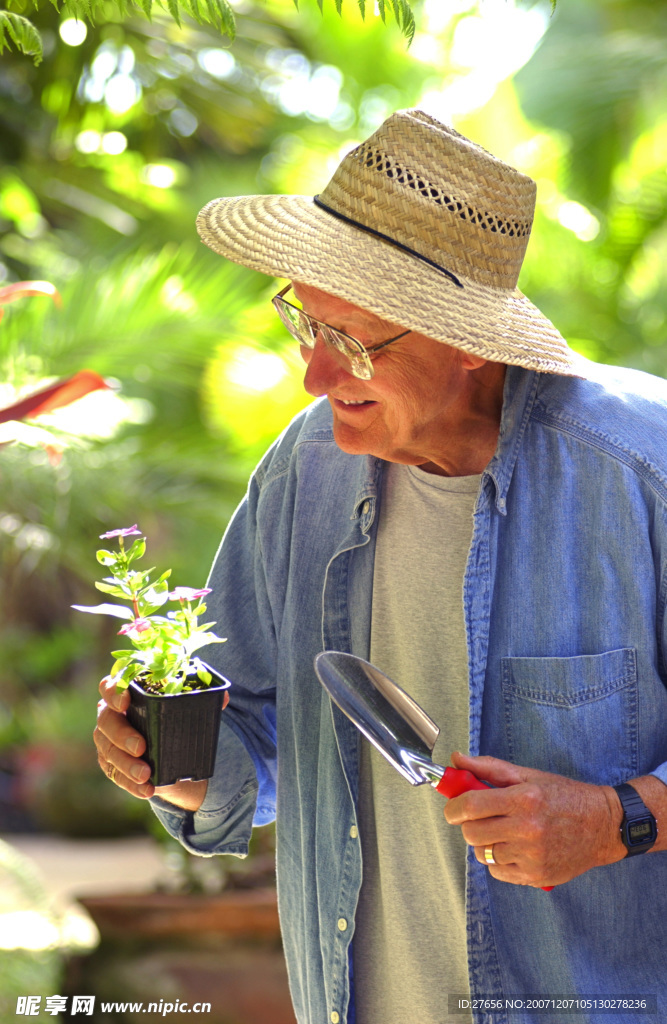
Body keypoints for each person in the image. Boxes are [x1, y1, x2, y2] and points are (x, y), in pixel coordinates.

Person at [94, 110, 667, 1024]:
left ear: (471, 339)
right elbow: (251, 731)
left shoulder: (643, 466)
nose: (314, 379)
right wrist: (169, 760)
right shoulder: (303, 467)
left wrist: (617, 820)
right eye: (302, 324)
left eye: (353, 342)